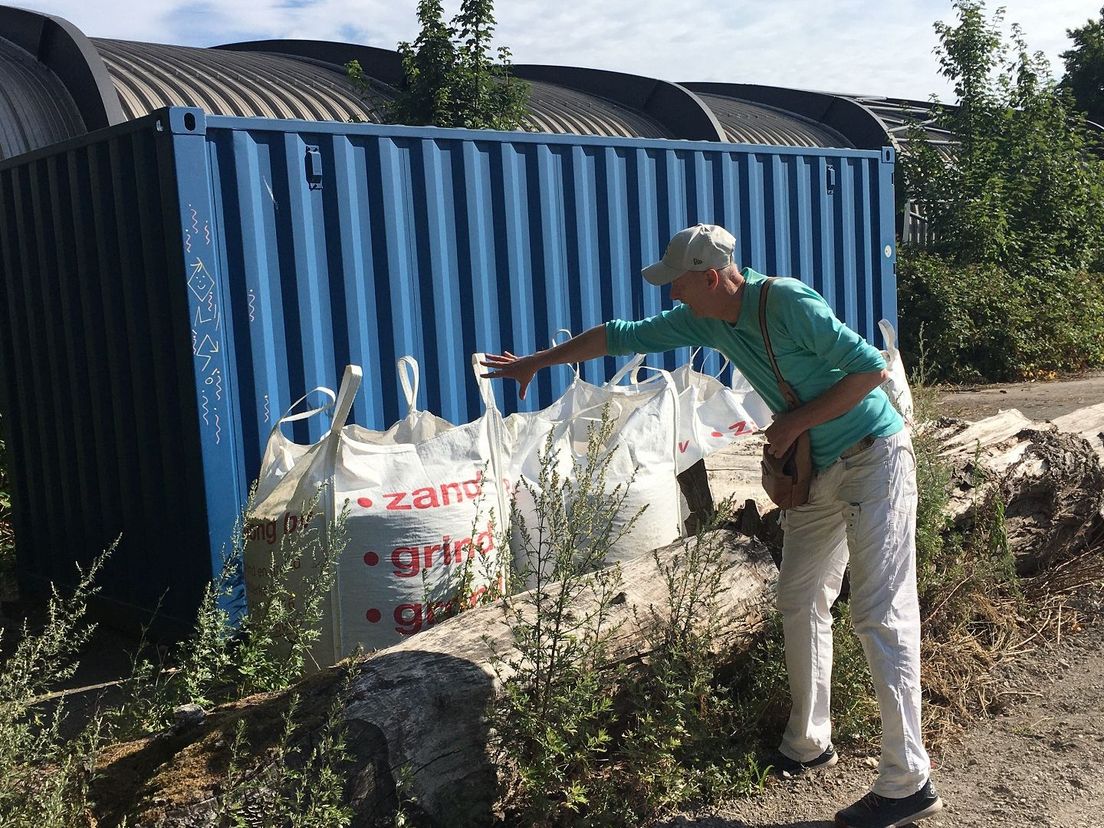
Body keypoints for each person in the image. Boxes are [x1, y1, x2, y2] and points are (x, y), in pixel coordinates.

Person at [481, 224, 943, 828]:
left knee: (880, 613)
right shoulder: (708, 318)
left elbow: (869, 372)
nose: (672, 298)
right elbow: (622, 336)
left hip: (874, 458)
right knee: (800, 599)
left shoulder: (789, 303)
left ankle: (909, 780)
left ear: (710, 276)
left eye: (678, 284)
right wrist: (537, 363)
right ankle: (810, 742)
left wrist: (794, 421)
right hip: (819, 471)